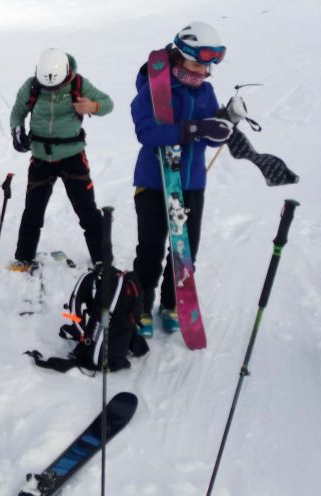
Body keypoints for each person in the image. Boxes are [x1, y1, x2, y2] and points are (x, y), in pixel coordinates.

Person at [130, 22, 235, 336]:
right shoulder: (154, 88)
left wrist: (227, 121)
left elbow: (213, 137)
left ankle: (171, 303)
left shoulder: (206, 92)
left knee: (185, 249)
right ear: (178, 57)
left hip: (191, 183)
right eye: (196, 62)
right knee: (150, 248)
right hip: (153, 182)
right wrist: (193, 129)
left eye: (207, 64)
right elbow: (146, 132)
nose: (202, 70)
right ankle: (141, 307)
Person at [9, 48, 113, 272]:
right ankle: (23, 258)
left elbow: (108, 103)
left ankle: (102, 258)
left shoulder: (79, 84)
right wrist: (17, 132)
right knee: (33, 211)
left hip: (72, 156)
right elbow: (17, 112)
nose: (51, 89)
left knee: (87, 210)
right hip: (40, 158)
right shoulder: (32, 86)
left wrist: (93, 106)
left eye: (56, 86)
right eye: (47, 86)